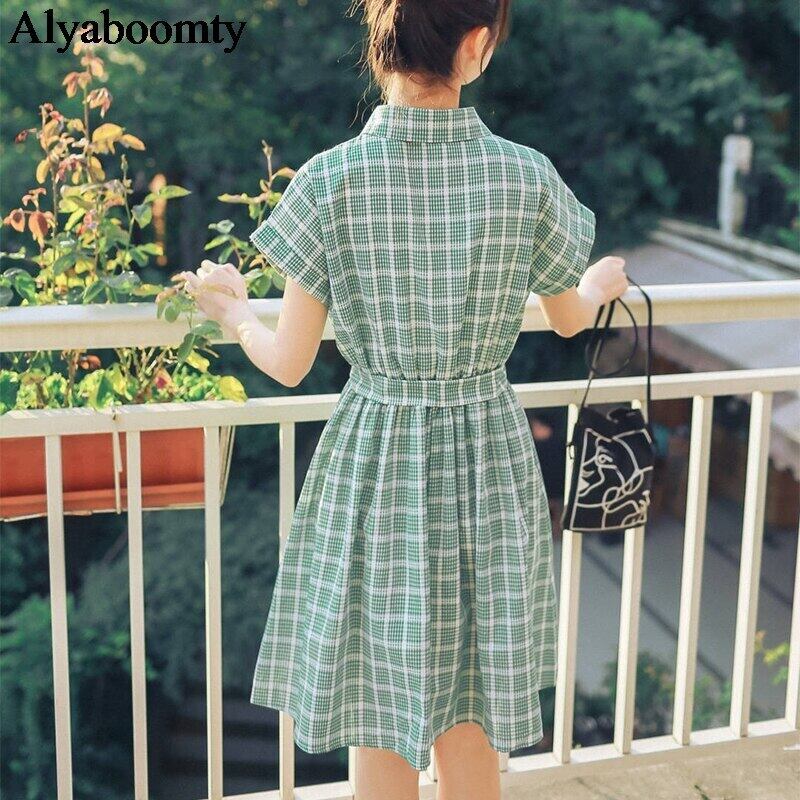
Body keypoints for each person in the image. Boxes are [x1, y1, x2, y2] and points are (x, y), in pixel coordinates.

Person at [179, 1, 628, 798]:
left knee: (376, 700)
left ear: (380, 44)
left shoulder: (328, 180)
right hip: (487, 457)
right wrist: (596, 285)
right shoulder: (525, 175)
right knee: (472, 701)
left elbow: (288, 362)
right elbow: (569, 320)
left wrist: (235, 312)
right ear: (476, 45)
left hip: (376, 459)